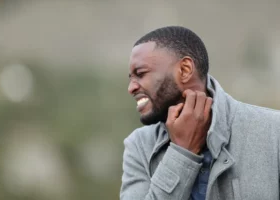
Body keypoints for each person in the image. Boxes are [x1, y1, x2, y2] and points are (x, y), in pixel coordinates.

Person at [120, 26, 280, 200]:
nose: (131, 88)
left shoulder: (274, 132)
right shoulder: (139, 146)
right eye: (131, 78)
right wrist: (181, 153)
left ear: (185, 70)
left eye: (141, 74)